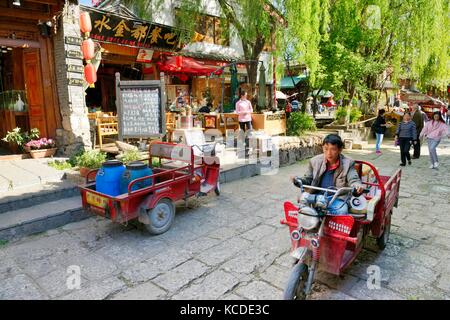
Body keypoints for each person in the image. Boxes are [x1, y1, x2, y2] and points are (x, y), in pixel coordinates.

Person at [293, 134, 364, 215]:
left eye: (333, 149)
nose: (329, 153)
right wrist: (298, 180)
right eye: (326, 149)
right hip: (317, 196)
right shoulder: (314, 161)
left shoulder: (348, 163)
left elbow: (354, 179)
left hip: (337, 198)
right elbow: (308, 179)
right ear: (322, 148)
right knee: (302, 208)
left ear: (340, 149)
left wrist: (357, 186)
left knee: (341, 211)